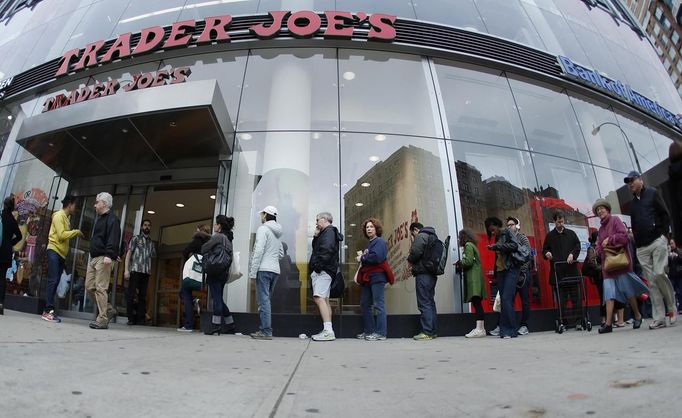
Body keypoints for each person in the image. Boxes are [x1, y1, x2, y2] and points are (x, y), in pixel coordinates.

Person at [625, 171, 678, 329]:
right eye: (628, 183)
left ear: (640, 180)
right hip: (642, 247)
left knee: (660, 273)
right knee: (652, 283)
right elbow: (635, 224)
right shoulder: (633, 205)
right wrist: (634, 238)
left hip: (657, 241)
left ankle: (671, 308)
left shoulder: (653, 193)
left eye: (633, 180)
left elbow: (665, 215)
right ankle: (659, 317)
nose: (631, 185)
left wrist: (663, 235)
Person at [593, 199, 647, 334]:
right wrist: (599, 250)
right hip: (608, 266)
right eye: (598, 210)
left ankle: (637, 315)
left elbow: (624, 238)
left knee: (628, 291)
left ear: (607, 209)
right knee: (609, 294)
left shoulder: (615, 220)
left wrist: (610, 240)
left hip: (621, 262)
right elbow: (599, 246)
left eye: (602, 208)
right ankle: (609, 324)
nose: (600, 211)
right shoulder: (600, 229)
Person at [41, 196, 83, 323]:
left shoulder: (66, 218)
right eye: (75, 205)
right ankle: (48, 311)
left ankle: (48, 311)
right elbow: (61, 235)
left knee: (55, 282)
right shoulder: (59, 215)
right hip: (54, 250)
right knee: (53, 281)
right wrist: (76, 232)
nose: (75, 208)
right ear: (69, 204)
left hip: (60, 254)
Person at [85, 192, 121, 330]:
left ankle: (102, 319)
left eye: (97, 202)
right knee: (89, 286)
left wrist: (109, 254)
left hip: (103, 258)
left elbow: (114, 237)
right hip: (94, 258)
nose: (95, 205)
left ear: (104, 204)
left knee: (101, 287)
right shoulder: (99, 219)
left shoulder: (112, 219)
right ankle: (109, 309)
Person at [356, 218, 394, 341]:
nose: (369, 229)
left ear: (376, 229)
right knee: (364, 304)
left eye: (371, 227)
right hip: (368, 277)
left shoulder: (380, 242)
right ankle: (369, 331)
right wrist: (364, 257)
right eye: (367, 227)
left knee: (378, 305)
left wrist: (362, 257)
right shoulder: (371, 243)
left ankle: (381, 333)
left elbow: (377, 257)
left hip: (377, 277)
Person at [249, 206, 283, 340]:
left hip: (263, 270)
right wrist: (272, 258)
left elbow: (258, 251)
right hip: (275, 270)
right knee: (266, 301)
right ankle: (265, 330)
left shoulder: (263, 229)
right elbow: (280, 253)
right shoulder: (277, 233)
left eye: (261, 214)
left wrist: (252, 272)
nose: (260, 217)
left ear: (265, 215)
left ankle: (266, 331)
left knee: (263, 301)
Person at [541, 211, 581, 326]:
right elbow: (544, 250)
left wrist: (573, 254)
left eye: (562, 221)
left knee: (576, 298)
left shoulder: (571, 233)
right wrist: (547, 253)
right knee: (561, 300)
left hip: (571, 272)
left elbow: (577, 246)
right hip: (557, 273)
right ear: (554, 221)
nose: (560, 223)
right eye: (558, 221)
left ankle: (578, 321)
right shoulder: (550, 236)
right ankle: (564, 322)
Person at [309, 212, 343, 342]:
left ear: (324, 219)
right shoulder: (327, 232)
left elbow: (326, 250)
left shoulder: (329, 232)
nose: (316, 223)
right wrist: (316, 235)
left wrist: (318, 266)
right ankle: (328, 329)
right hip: (326, 270)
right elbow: (317, 248)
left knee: (319, 298)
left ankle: (328, 331)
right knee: (325, 300)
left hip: (323, 270)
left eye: (317, 220)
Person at [484, 217, 519, 339]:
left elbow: (515, 245)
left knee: (506, 299)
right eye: (491, 231)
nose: (493, 233)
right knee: (503, 302)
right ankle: (504, 330)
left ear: (498, 226)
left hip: (510, 270)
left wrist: (497, 247)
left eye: (493, 230)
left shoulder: (507, 232)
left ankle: (511, 329)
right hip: (500, 272)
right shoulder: (498, 237)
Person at [201, 215, 236, 335]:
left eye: (216, 224)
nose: (214, 226)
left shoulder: (218, 237)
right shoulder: (229, 239)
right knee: (219, 298)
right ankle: (230, 325)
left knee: (216, 299)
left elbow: (203, 248)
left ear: (219, 226)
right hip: (223, 273)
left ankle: (215, 326)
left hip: (214, 271)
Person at [407, 222, 439, 340]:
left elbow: (415, 253)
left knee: (424, 303)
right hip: (431, 274)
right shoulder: (433, 236)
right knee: (430, 302)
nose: (413, 236)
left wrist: (409, 258)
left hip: (423, 274)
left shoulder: (421, 236)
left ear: (415, 230)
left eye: (412, 234)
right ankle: (432, 331)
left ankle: (427, 332)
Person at [177, 224, 211, 331]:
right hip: (200, 276)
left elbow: (185, 251)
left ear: (199, 230)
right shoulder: (209, 243)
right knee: (183, 293)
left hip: (191, 274)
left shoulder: (197, 240)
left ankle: (189, 325)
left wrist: (190, 256)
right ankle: (195, 301)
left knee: (184, 294)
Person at [124, 219, 156, 326]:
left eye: (149, 225)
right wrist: (126, 270)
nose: (147, 227)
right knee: (131, 294)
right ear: (142, 227)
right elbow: (129, 253)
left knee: (143, 296)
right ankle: (130, 318)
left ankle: (140, 319)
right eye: (145, 225)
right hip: (135, 270)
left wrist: (150, 271)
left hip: (145, 272)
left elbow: (151, 257)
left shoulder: (151, 243)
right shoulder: (136, 238)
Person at [456, 228, 487, 338]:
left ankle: (480, 329)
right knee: (477, 303)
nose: (459, 239)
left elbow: (468, 261)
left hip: (473, 279)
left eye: (460, 237)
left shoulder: (468, 245)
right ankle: (480, 328)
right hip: (476, 277)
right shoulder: (473, 245)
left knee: (477, 303)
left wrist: (460, 263)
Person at [507, 217, 532, 335]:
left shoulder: (522, 237)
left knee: (524, 300)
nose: (509, 227)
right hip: (512, 274)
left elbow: (527, 254)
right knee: (509, 299)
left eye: (511, 224)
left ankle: (524, 325)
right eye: (507, 225)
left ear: (517, 226)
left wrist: (522, 271)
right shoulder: (508, 239)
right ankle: (509, 324)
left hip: (522, 273)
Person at [0, 196, 22, 315]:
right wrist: (9, 243)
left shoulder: (1, 216)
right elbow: (19, 236)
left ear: (4, 205)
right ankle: (1, 303)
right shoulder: (12, 220)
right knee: (2, 278)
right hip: (6, 251)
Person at [584, 231, 606, 326]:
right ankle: (604, 319)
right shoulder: (592, 249)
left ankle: (609, 318)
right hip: (600, 276)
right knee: (603, 297)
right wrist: (604, 267)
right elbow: (592, 263)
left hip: (603, 274)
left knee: (606, 296)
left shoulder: (601, 246)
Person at [668, 238, 682, 314]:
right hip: (672, 275)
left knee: (680, 292)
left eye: (672, 243)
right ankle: (673, 309)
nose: (671, 245)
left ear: (675, 244)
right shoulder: (668, 252)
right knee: (671, 293)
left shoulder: (679, 251)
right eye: (670, 243)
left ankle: (681, 307)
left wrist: (676, 256)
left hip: (679, 274)